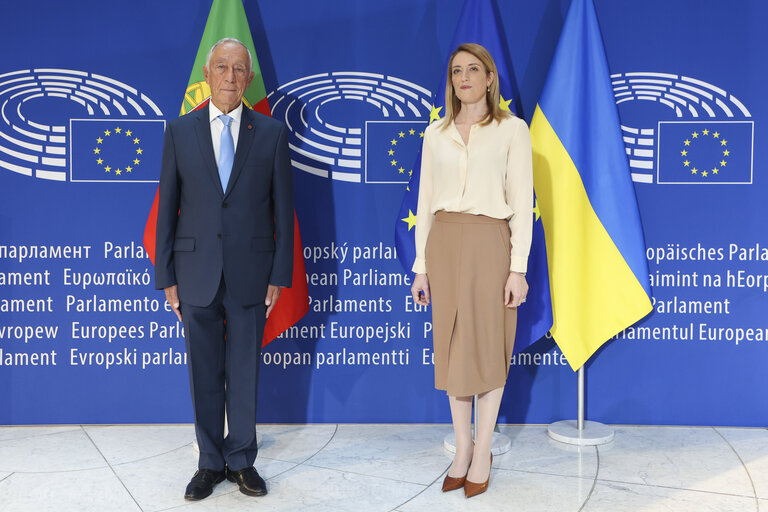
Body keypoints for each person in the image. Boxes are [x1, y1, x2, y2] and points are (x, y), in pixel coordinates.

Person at [154, 38, 293, 500]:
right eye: (221, 67)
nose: (230, 76)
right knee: (204, 372)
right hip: (194, 274)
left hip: (252, 272)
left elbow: (283, 211)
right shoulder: (179, 131)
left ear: (249, 79)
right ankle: (209, 463)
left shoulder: (271, 134)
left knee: (244, 371)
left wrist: (279, 275)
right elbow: (168, 206)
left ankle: (241, 461)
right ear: (208, 75)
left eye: (238, 69)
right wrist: (167, 279)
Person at [410, 43, 532, 499]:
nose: (464, 77)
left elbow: (521, 202)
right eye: (457, 71)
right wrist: (421, 267)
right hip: (444, 241)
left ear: (489, 78)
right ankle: (462, 449)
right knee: (453, 347)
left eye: (473, 70)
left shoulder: (512, 130)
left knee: (488, 346)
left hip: (490, 243)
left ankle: (484, 451)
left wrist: (517, 269)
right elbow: (424, 205)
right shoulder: (434, 135)